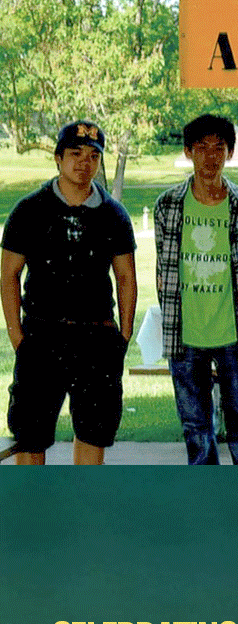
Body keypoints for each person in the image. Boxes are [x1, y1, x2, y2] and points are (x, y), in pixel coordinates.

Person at [1, 121, 136, 464]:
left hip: (97, 338)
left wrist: (123, 335)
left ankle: (82, 513)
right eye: (75, 154)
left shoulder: (114, 215)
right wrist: (18, 338)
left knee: (94, 431)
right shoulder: (29, 210)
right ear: (59, 159)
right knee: (31, 436)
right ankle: (36, 514)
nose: (84, 163)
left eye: (93, 156)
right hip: (42, 336)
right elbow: (8, 276)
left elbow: (126, 277)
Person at [155, 113, 238, 465]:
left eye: (219, 147)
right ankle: (210, 508)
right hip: (184, 336)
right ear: (188, 152)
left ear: (229, 153)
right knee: (196, 430)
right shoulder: (168, 206)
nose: (210, 156)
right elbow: (165, 271)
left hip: (233, 333)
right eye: (201, 147)